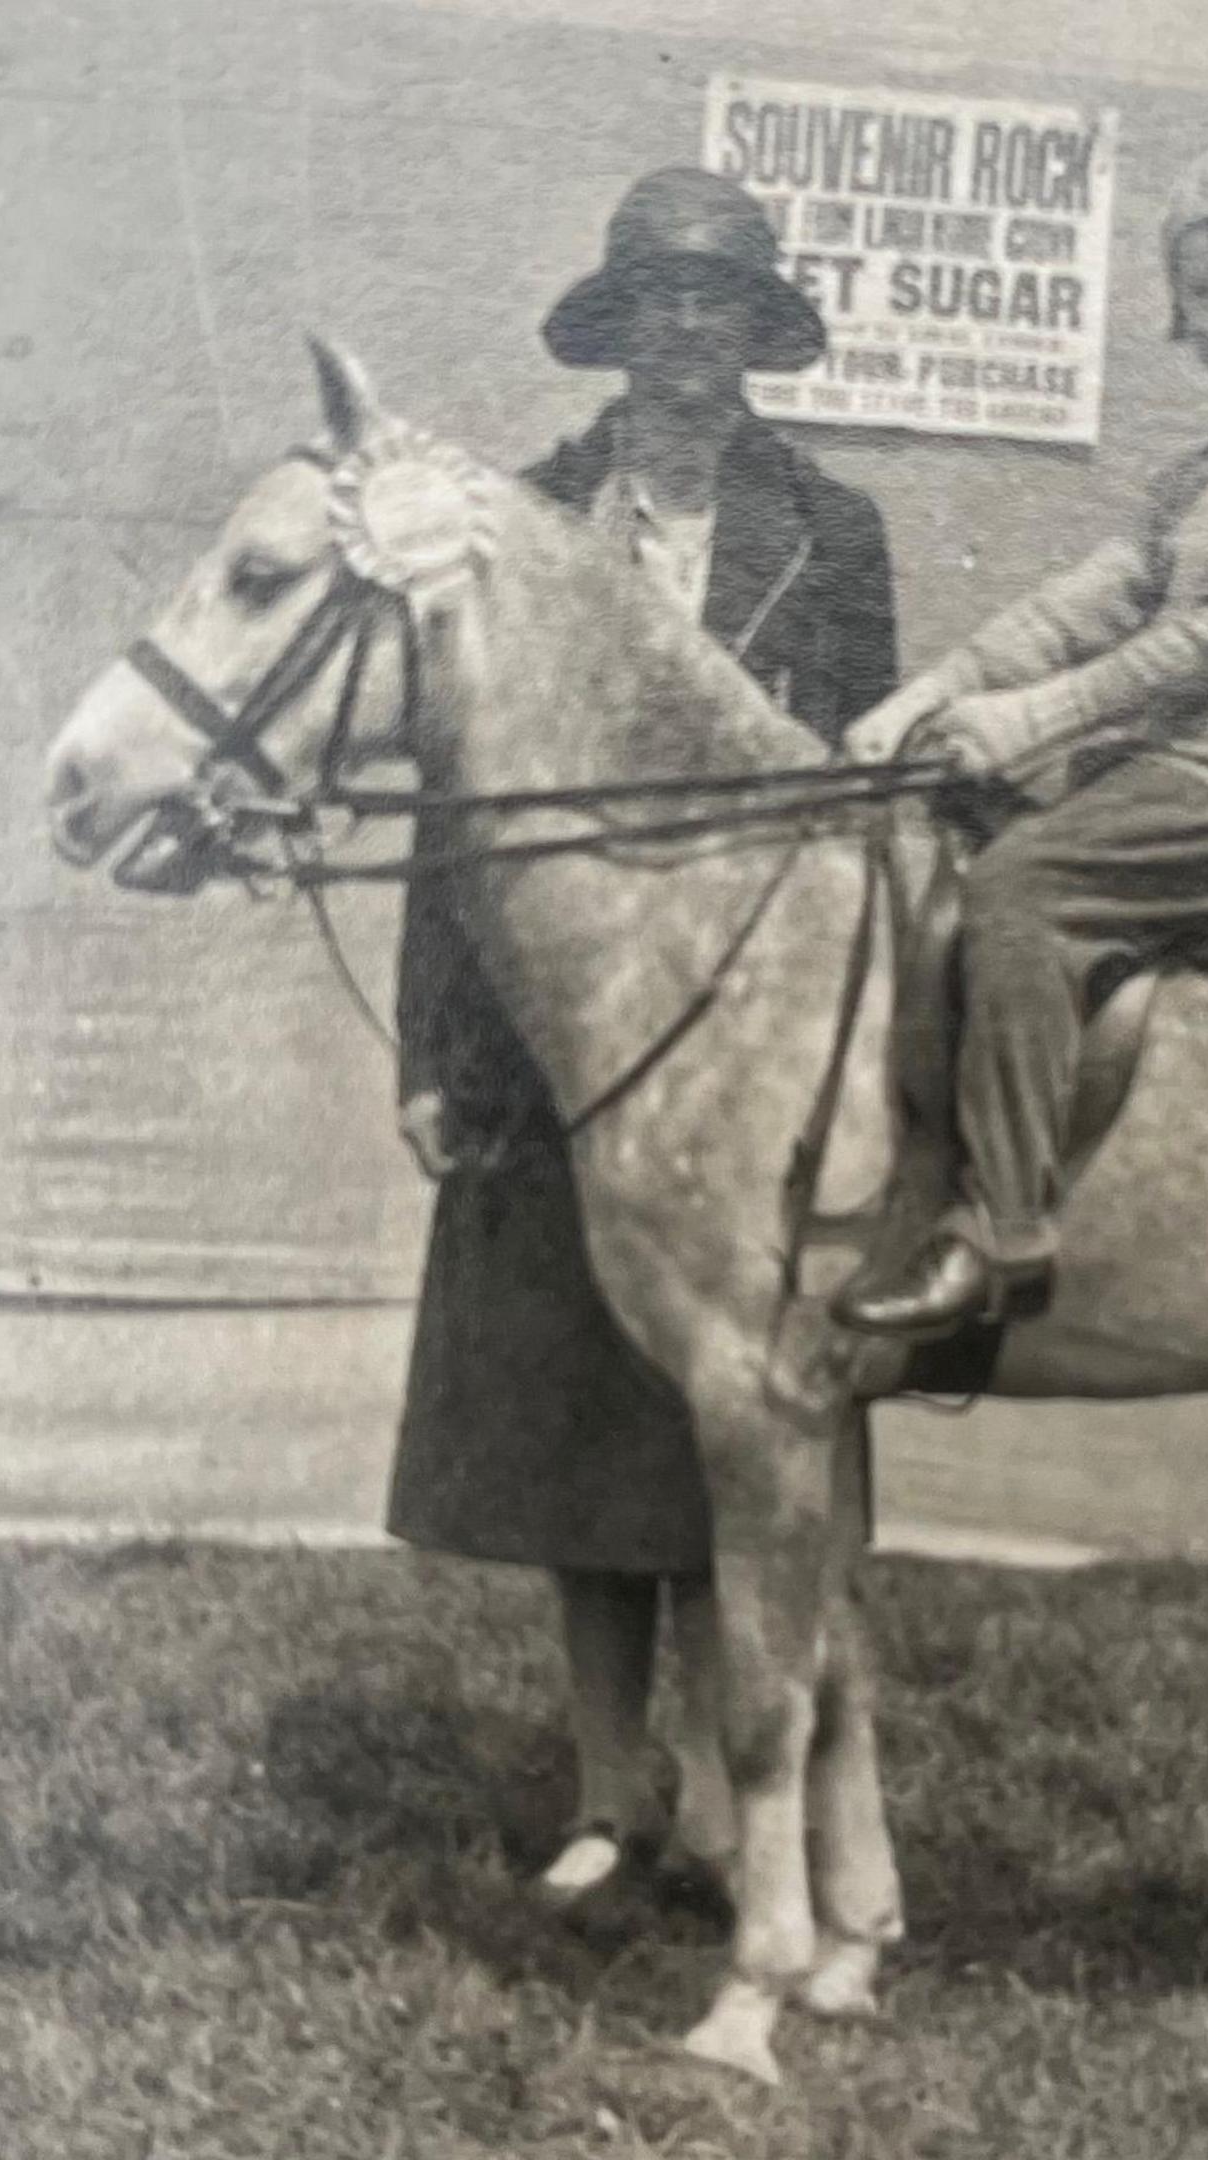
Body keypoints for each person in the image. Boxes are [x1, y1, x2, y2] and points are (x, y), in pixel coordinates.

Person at [382, 166, 897, 1902]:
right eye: (662, 302)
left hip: (757, 1049)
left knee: (746, 1423)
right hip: (555, 1027)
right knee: (565, 1424)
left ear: (762, 338)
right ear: (618, 330)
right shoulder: (525, 520)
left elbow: (853, 796)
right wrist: (434, 1048)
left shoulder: (832, 535)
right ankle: (612, 1793)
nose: (693, 334)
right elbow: (458, 804)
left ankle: (738, 1784)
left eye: (724, 306)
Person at [833, 144, 1208, 1336]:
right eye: (1206, 295)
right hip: (1188, 764)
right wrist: (932, 692)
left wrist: (1027, 720)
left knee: (1019, 894)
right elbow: (1092, 599)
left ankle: (1002, 1235)